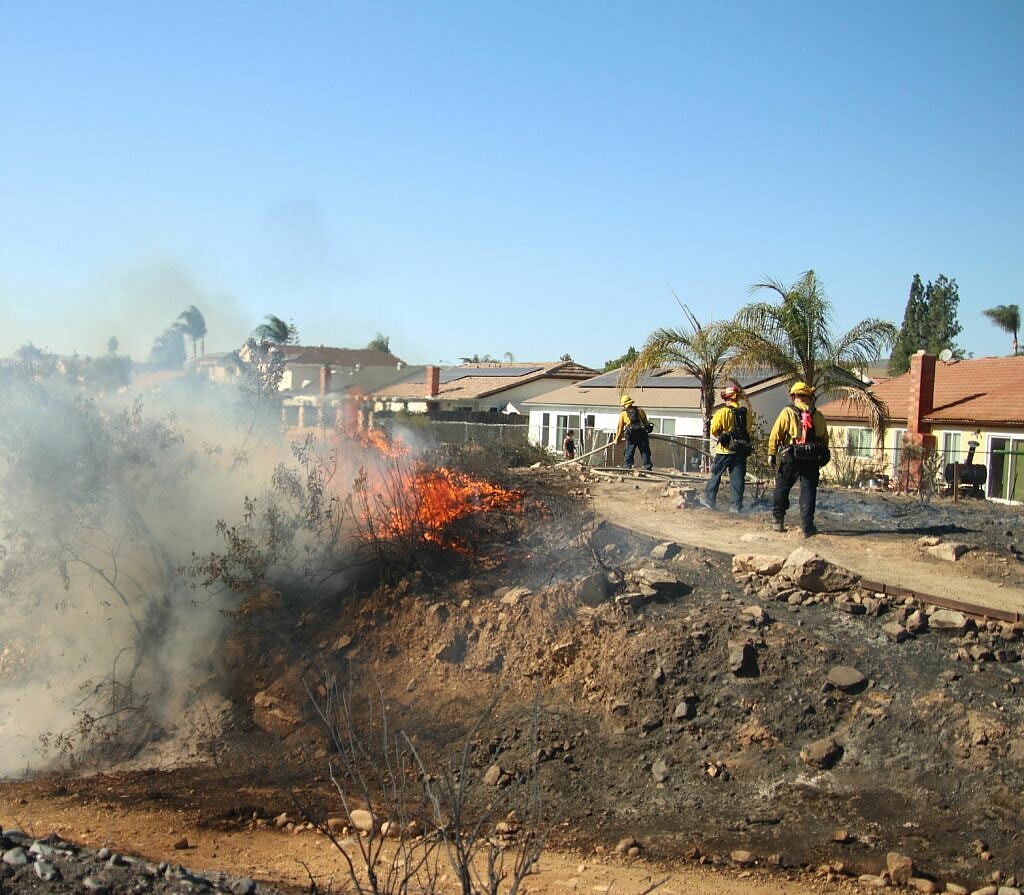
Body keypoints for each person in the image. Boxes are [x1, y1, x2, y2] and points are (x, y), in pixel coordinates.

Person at [768, 381, 831, 537]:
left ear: (793, 396)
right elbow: (824, 439)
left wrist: (772, 453)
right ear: (809, 396)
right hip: (811, 459)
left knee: (782, 488)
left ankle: (778, 521)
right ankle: (807, 526)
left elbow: (776, 434)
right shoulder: (817, 415)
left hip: (791, 456)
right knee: (808, 492)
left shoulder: (788, 412)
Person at [700, 384, 753, 513]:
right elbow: (748, 430)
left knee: (716, 474)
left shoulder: (723, 412)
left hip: (724, 451)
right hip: (741, 451)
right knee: (738, 478)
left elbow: (714, 430)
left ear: (726, 398)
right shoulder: (747, 414)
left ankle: (709, 500)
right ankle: (736, 506)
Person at [614, 395, 654, 471]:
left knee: (629, 451)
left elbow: (620, 428)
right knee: (645, 451)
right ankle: (648, 467)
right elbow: (646, 423)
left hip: (631, 436)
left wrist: (617, 439)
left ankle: (627, 468)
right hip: (642, 435)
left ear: (624, 405)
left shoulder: (623, 414)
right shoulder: (640, 411)